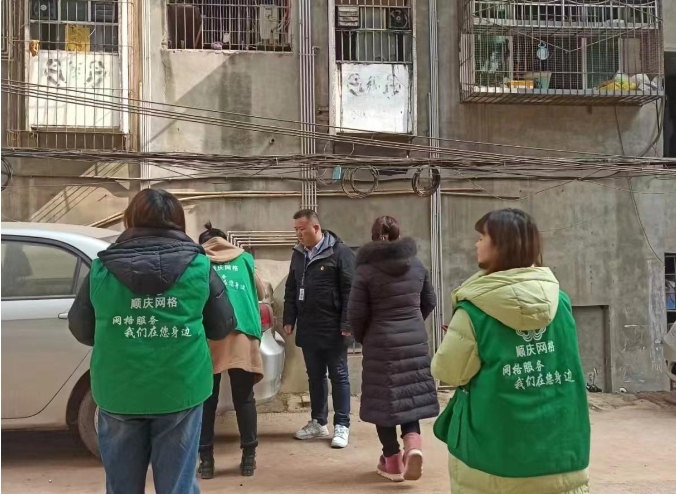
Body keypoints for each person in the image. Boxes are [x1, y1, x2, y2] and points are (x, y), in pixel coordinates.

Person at [68, 189, 237, 494]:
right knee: (177, 486)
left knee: (121, 487)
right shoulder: (199, 267)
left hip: (118, 388)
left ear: (129, 219)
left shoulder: (102, 268)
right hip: (180, 388)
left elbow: (81, 329)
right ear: (178, 222)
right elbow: (222, 325)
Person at [432, 208, 591, 494]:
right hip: (562, 452)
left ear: (501, 245)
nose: (477, 243)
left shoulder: (474, 311)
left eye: (483, 237)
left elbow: (449, 372)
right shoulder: (561, 303)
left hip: (493, 456)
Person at [347, 216, 438, 482]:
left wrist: (365, 337)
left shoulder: (365, 270)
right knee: (409, 396)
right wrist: (413, 323)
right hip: (414, 341)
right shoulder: (417, 265)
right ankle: (413, 447)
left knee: (384, 403)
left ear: (373, 238)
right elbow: (430, 301)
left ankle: (393, 462)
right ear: (399, 236)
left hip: (381, 343)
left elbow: (356, 314)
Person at [197, 222, 265, 479]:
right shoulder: (244, 258)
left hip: (208, 335)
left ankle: (206, 462)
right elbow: (261, 290)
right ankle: (249, 459)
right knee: (244, 398)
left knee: (207, 400)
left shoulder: (198, 260)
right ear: (225, 240)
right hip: (242, 333)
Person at [283, 209, 355, 448]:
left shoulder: (340, 253)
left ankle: (342, 425)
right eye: (296, 230)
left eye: (301, 229)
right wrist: (289, 318)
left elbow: (351, 291)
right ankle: (318, 422)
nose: (298, 234)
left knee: (339, 375)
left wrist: (347, 323)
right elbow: (291, 288)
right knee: (314, 376)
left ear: (316, 228)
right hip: (309, 326)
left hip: (334, 328)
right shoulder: (298, 254)